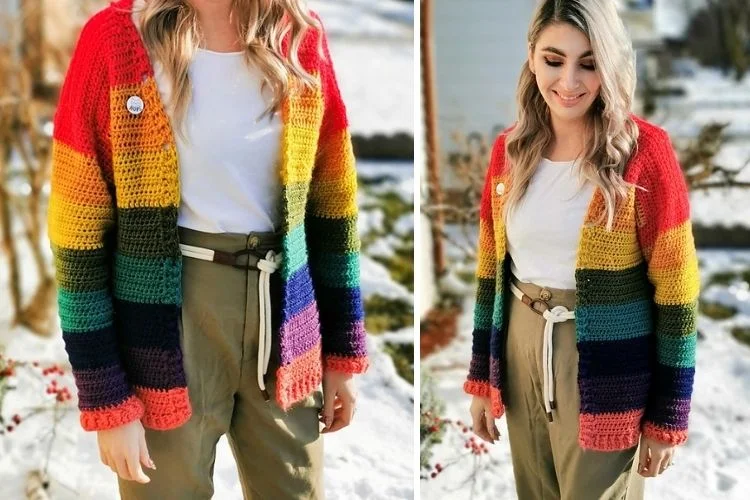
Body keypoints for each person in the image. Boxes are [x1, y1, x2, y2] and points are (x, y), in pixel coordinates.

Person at [47, 0, 369, 498]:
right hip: (165, 323)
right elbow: (77, 240)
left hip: (284, 316)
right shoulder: (115, 39)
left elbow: (333, 207)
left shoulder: (299, 36)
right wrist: (106, 398)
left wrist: (343, 354)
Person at [463, 0, 699, 499]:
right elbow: (491, 274)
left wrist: (667, 412)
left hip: (609, 360)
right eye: (554, 60)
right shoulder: (509, 153)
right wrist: (483, 379)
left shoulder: (643, 154)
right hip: (521, 346)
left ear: (609, 65)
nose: (569, 81)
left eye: (588, 63)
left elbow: (677, 293)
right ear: (531, 57)